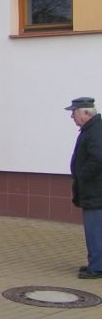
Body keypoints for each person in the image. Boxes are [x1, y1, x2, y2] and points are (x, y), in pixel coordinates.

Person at [66, 97, 102, 279]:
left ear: (86, 113)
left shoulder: (95, 130)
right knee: (95, 229)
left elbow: (97, 159)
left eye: (74, 112)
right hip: (94, 190)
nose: (72, 116)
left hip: (95, 191)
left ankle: (97, 267)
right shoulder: (91, 128)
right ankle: (95, 262)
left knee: (94, 229)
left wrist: (82, 177)